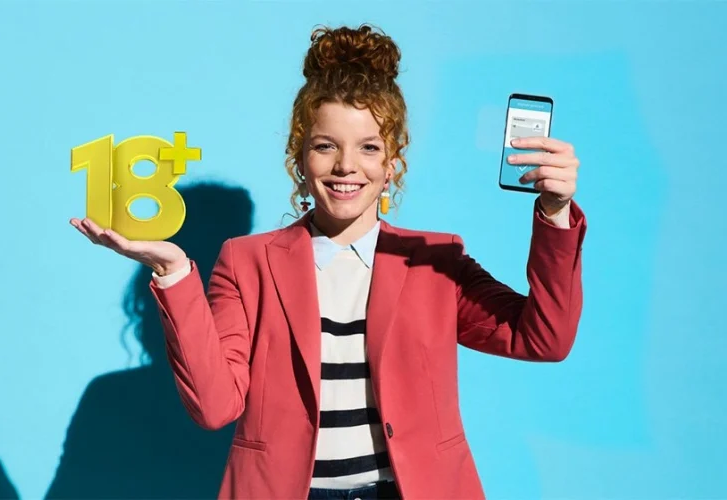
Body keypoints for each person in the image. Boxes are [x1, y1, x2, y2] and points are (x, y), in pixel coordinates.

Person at [70, 24, 586, 500]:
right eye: (325, 146)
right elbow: (213, 407)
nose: (346, 166)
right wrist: (175, 272)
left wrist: (555, 211)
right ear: (300, 158)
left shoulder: (435, 261)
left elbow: (543, 339)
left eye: (369, 148)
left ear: (393, 163)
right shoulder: (245, 263)